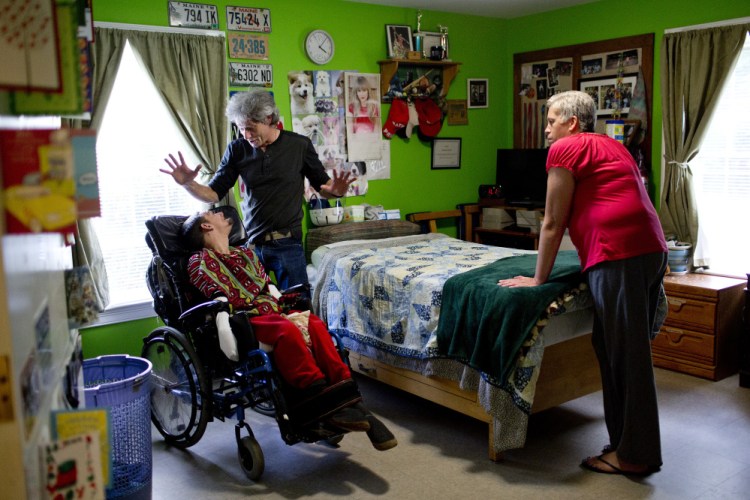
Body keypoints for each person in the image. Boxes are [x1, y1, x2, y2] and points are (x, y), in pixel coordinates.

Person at [498, 90, 667, 477]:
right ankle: (626, 442)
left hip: (620, 252)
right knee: (612, 347)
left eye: (551, 120)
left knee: (625, 355)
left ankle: (635, 455)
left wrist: (538, 278)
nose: (546, 130)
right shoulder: (610, 145)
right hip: (648, 248)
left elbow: (553, 221)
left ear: (572, 123)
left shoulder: (566, 148)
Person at [181, 208, 397, 451]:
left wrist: (282, 301)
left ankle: (348, 397)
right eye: (210, 213)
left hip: (272, 310)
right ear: (206, 227)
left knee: (313, 323)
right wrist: (224, 324)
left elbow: (268, 286)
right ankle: (316, 398)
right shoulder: (198, 261)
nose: (219, 212)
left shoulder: (245, 254)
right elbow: (217, 295)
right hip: (243, 318)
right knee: (286, 329)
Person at [161, 89, 354, 297]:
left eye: (251, 129)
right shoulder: (237, 149)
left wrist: (336, 192)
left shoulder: (299, 145)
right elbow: (213, 194)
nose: (247, 135)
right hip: (252, 248)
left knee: (299, 308)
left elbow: (323, 187)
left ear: (268, 119)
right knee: (258, 310)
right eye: (241, 129)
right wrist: (188, 184)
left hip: (288, 244)